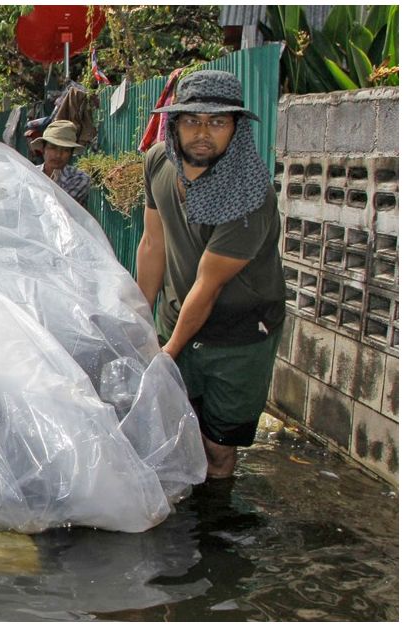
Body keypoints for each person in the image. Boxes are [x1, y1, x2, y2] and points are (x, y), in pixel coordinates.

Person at [135, 70, 285, 480]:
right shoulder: (158, 162)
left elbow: (209, 284)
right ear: (174, 125)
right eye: (192, 121)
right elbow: (152, 244)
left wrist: (168, 353)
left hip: (238, 334)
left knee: (217, 447)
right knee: (177, 427)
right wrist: (137, 322)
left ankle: (214, 512)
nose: (203, 133)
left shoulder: (248, 194)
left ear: (235, 128)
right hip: (176, 318)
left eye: (217, 122)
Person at [31, 119, 91, 207]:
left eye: (65, 150)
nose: (58, 155)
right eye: (53, 148)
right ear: (43, 149)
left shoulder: (80, 178)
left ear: (71, 154)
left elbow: (56, 206)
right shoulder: (30, 174)